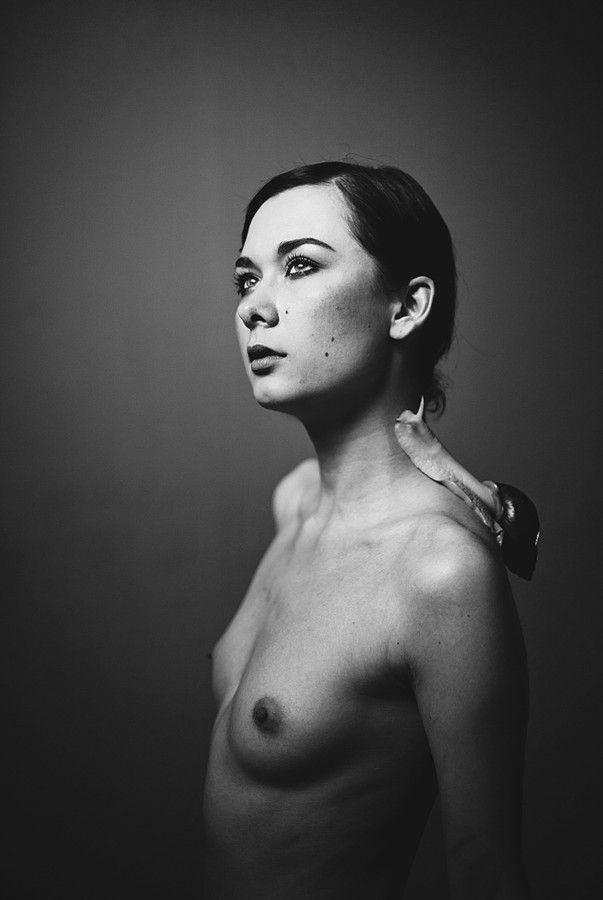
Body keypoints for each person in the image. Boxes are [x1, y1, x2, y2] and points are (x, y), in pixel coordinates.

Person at [202, 161, 531, 899]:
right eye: (246, 279)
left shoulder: (437, 570)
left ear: (406, 306)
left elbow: (484, 870)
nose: (256, 308)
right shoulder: (294, 503)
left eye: (300, 266)